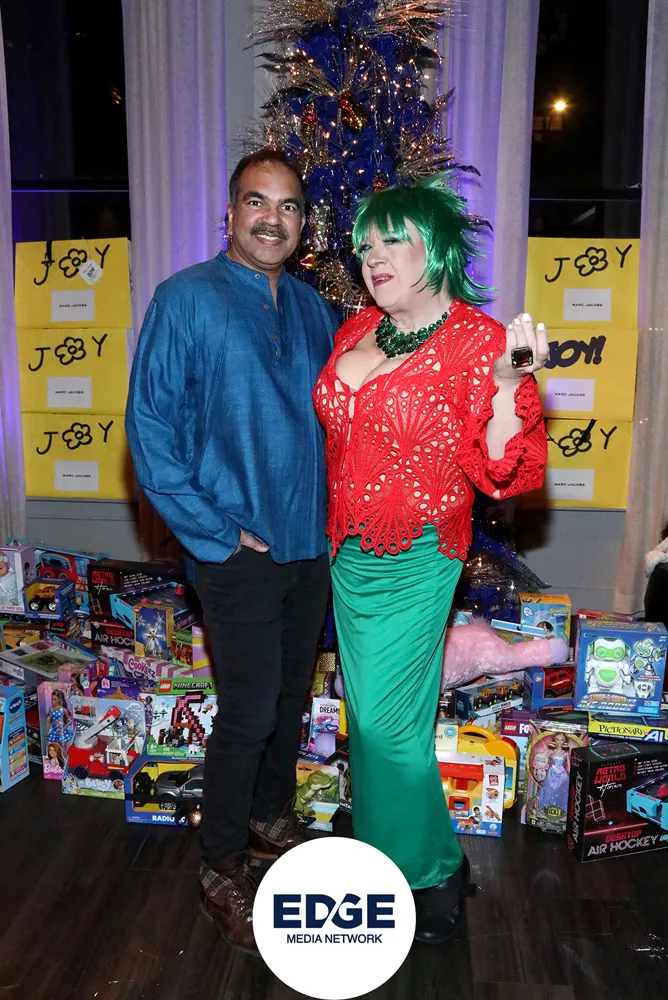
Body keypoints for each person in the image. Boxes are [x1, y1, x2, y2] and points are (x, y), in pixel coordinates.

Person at [313, 174, 548, 946]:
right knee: (380, 722)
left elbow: (502, 470)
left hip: (417, 556)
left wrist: (510, 384)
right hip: (348, 553)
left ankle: (418, 872)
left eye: (393, 240)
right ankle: (427, 854)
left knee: (384, 728)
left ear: (437, 247)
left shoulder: (478, 341)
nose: (374, 257)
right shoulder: (358, 329)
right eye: (365, 245)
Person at [125, 149, 338, 954]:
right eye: (257, 201)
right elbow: (149, 432)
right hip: (234, 549)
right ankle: (219, 865)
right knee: (248, 712)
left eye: (288, 206)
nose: (271, 219)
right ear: (230, 213)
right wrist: (215, 534)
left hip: (308, 546)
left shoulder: (316, 311)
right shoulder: (185, 298)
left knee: (287, 701)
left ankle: (269, 816)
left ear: (303, 223)